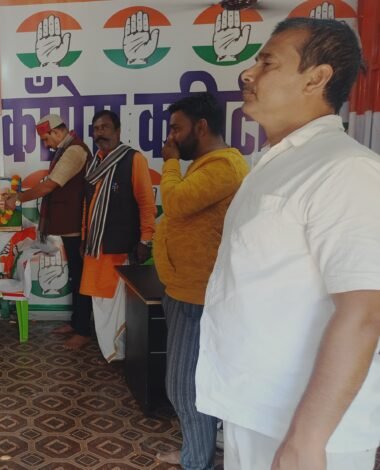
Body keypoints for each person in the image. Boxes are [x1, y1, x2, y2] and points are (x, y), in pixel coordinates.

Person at [195, 18, 380, 470]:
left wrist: (307, 439)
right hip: (258, 410)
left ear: (317, 78)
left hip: (309, 430)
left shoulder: (346, 169)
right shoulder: (274, 164)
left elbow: (364, 311)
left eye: (267, 63)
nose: (248, 74)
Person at [152, 93, 249, 469]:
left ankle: (197, 462)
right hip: (186, 292)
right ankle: (196, 452)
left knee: (183, 386)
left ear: (202, 127)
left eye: (177, 128)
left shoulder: (224, 166)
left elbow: (175, 203)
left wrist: (169, 162)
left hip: (198, 297)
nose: (171, 138)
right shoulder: (206, 165)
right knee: (188, 384)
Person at [4, 114, 93, 350]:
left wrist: (19, 198)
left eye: (46, 138)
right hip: (70, 224)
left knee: (81, 277)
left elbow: (50, 185)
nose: (46, 144)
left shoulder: (74, 151)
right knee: (76, 275)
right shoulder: (66, 149)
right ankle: (76, 323)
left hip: (77, 225)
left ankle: (83, 331)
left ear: (57, 131)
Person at [80, 110, 156, 361]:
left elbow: (146, 203)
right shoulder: (94, 163)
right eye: (96, 128)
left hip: (120, 246)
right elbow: (87, 205)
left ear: (118, 130)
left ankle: (121, 353)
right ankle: (111, 352)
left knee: (118, 302)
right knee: (100, 300)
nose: (99, 133)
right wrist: (84, 238)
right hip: (95, 248)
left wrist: (145, 240)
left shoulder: (133, 160)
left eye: (105, 127)